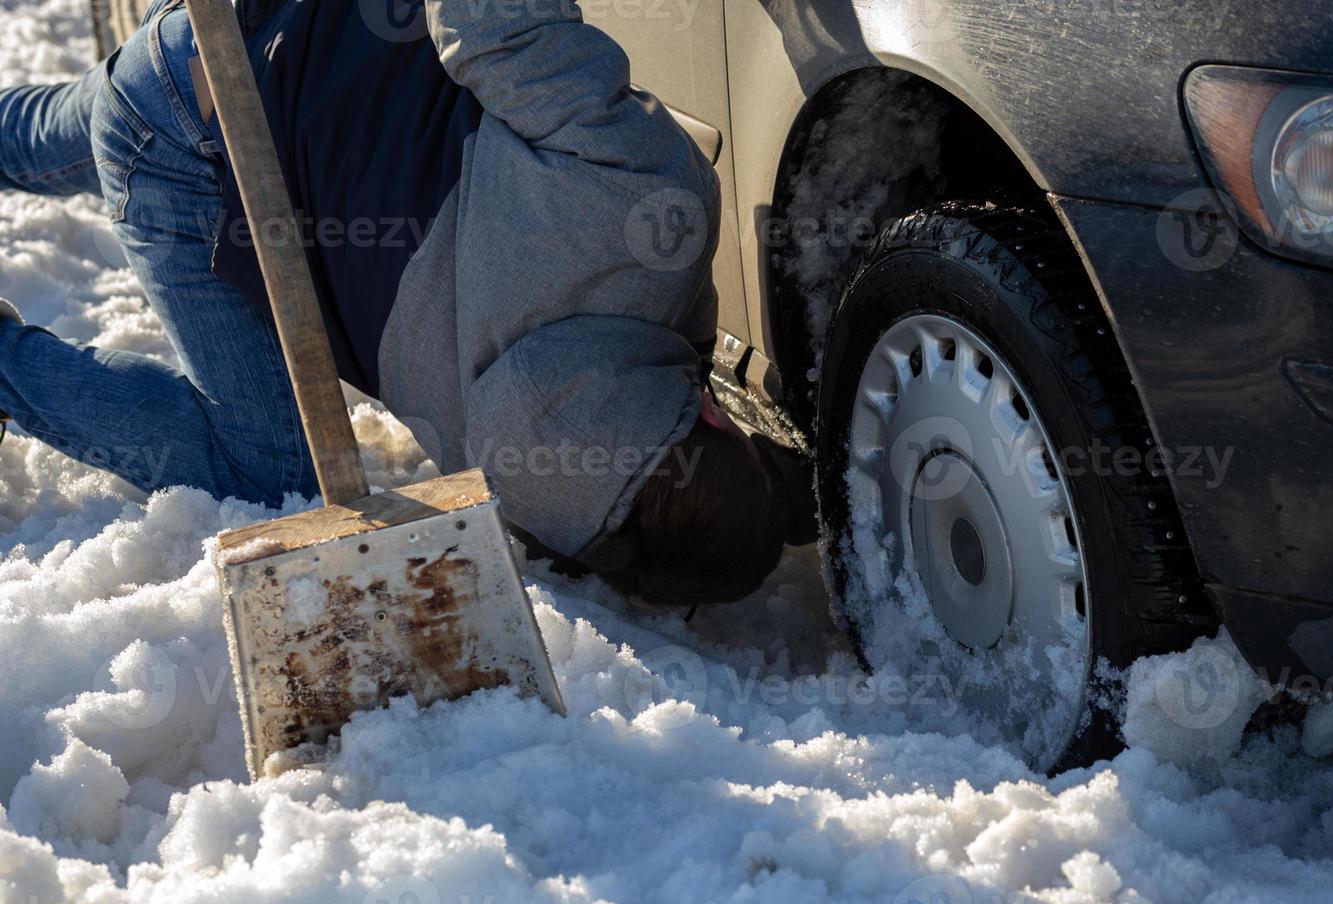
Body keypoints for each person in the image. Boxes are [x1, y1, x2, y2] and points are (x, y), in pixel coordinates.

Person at [0, 0, 810, 604]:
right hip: (215, 88)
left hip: (217, 103)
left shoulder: (646, 199)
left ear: (713, 419)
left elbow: (494, 22)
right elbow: (636, 493)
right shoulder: (526, 498)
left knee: (266, 473)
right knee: (103, 121)